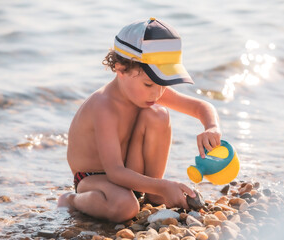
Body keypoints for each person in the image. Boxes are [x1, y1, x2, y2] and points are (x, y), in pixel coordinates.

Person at [57, 17, 221, 223]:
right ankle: (71, 200)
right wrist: (164, 185)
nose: (158, 92)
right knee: (125, 207)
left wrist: (211, 127)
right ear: (121, 69)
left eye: (163, 83)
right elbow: (114, 172)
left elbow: (200, 107)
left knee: (158, 113)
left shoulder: (151, 90)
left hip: (129, 173)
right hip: (94, 177)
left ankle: (152, 193)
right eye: (149, 84)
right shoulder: (104, 105)